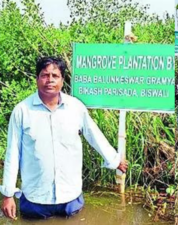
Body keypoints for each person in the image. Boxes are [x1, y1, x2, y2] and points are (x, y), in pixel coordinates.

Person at [0, 57, 128, 220]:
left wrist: (114, 160)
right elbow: (12, 153)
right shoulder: (22, 111)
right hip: (35, 198)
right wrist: (8, 194)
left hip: (70, 196)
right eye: (45, 75)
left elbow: (93, 135)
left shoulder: (75, 107)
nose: (50, 80)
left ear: (62, 79)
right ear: (37, 78)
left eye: (55, 75)